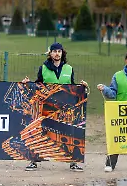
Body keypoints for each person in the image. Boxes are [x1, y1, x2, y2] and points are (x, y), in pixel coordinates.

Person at [22, 42, 88, 172]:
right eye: (54, 51)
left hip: (65, 107)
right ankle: (33, 161)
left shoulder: (69, 68)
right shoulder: (43, 68)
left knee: (71, 134)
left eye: (59, 51)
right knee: (39, 132)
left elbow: (72, 86)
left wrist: (82, 87)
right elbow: (38, 85)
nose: (57, 53)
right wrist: (27, 83)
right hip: (47, 106)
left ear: (62, 53)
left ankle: (73, 162)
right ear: (50, 53)